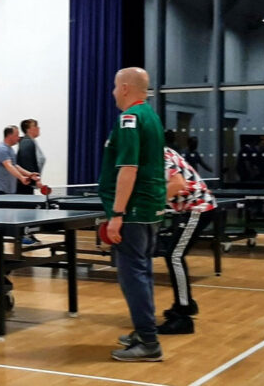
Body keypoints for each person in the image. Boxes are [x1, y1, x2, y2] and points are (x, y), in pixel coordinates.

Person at [98, 67, 166, 362]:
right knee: (143, 271)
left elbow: (128, 169)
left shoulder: (129, 119)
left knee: (133, 276)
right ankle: (144, 332)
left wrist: (117, 213)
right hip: (150, 208)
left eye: (115, 87)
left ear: (125, 88)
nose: (113, 93)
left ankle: (149, 343)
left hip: (134, 211)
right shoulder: (151, 116)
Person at [152, 130, 216, 335]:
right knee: (174, 255)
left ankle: (184, 317)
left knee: (174, 256)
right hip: (195, 207)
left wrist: (155, 206)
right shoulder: (165, 151)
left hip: (196, 208)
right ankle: (185, 305)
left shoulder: (156, 155)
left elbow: (177, 183)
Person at [15, 119, 45, 195]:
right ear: (28, 129)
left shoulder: (31, 141)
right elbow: (26, 164)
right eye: (35, 126)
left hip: (28, 183)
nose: (38, 128)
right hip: (25, 184)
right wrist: (35, 180)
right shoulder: (27, 142)